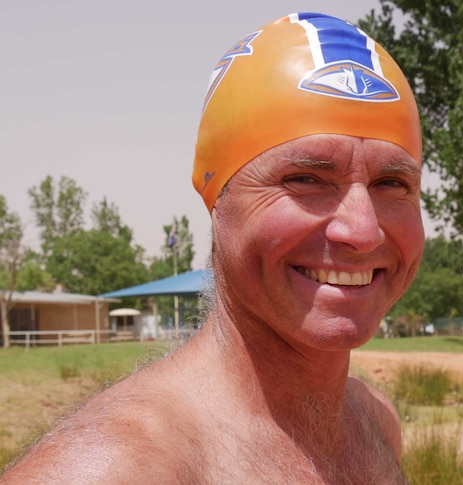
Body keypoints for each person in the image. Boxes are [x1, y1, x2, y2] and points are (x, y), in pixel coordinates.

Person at [1, 12, 422, 484]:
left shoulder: (375, 424)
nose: (362, 231)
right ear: (215, 195)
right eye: (305, 179)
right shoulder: (116, 471)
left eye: (392, 182)